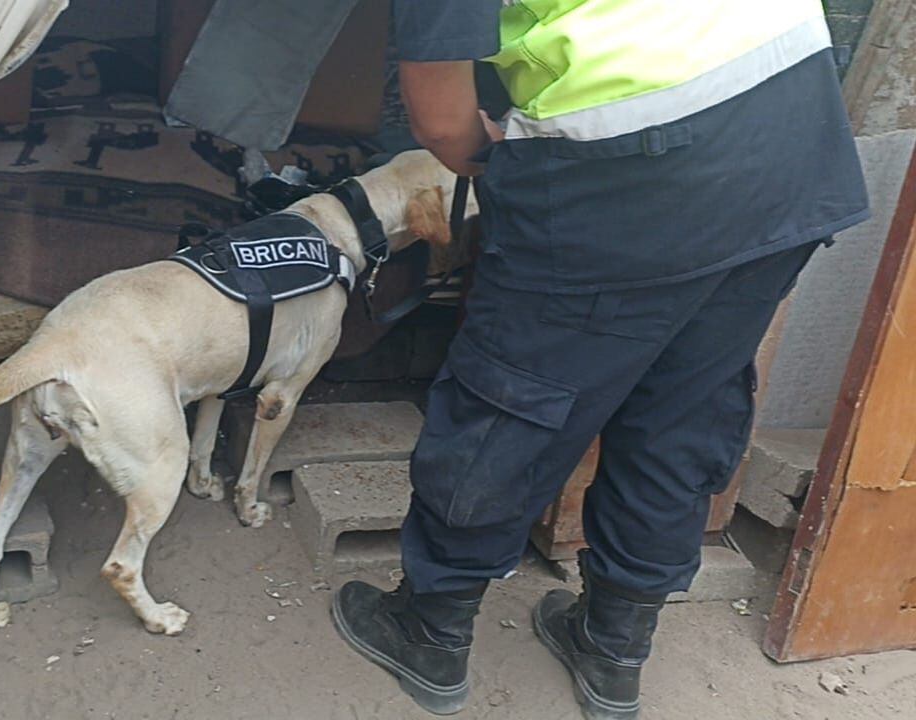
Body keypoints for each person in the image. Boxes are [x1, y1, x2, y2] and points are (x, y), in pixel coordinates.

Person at [331, 1, 870, 717]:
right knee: (686, 407)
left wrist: (511, 160)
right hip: (794, 141)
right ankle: (614, 650)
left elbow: (442, 124)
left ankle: (431, 630)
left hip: (630, 165)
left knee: (516, 398)